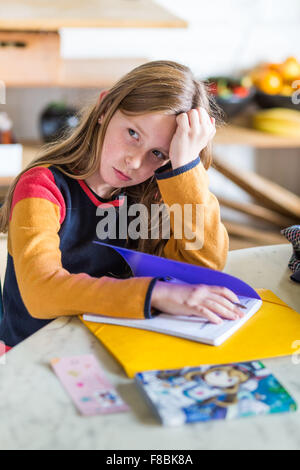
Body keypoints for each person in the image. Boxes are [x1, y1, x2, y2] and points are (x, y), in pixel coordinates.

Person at [0, 60, 244, 349]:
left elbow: (201, 268)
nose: (135, 162)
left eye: (157, 152)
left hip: (112, 344)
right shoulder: (42, 186)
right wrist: (157, 294)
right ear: (104, 110)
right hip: (31, 353)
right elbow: (40, 293)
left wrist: (187, 168)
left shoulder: (155, 192)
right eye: (132, 134)